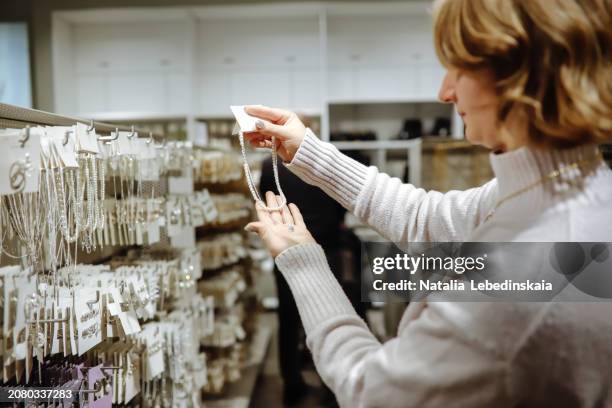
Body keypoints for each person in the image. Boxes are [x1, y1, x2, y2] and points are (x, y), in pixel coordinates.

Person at [244, 0, 612, 406]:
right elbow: (427, 219)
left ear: (519, 76)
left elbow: (372, 392)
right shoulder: (567, 188)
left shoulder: (523, 279)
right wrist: (309, 152)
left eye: (458, 68)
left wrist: (305, 263)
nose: (444, 92)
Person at [258, 156, 345, 406]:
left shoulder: (268, 166)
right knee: (331, 313)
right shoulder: (326, 159)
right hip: (326, 246)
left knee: (288, 318)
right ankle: (331, 384)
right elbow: (339, 204)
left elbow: (267, 204)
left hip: (286, 247)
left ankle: (291, 382)